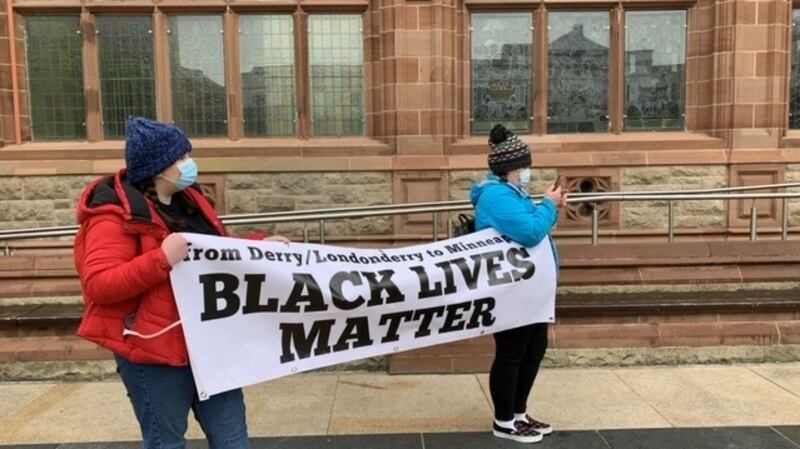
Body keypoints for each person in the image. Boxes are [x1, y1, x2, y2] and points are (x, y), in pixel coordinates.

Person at [73, 117, 289, 449]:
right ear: (158, 168)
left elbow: (218, 253)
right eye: (181, 158)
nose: (189, 164)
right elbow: (100, 284)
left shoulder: (191, 202)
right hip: (153, 353)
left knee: (234, 439)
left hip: (209, 344)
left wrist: (260, 246)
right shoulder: (112, 216)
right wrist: (161, 259)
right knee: (166, 443)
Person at [470, 123, 567, 444]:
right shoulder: (497, 195)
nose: (528, 171)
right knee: (512, 354)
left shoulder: (514, 193)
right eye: (525, 165)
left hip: (530, 289)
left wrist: (548, 208)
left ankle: (519, 414)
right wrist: (549, 205)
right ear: (513, 167)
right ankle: (504, 421)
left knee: (533, 349)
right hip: (512, 289)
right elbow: (529, 232)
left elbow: (533, 224)